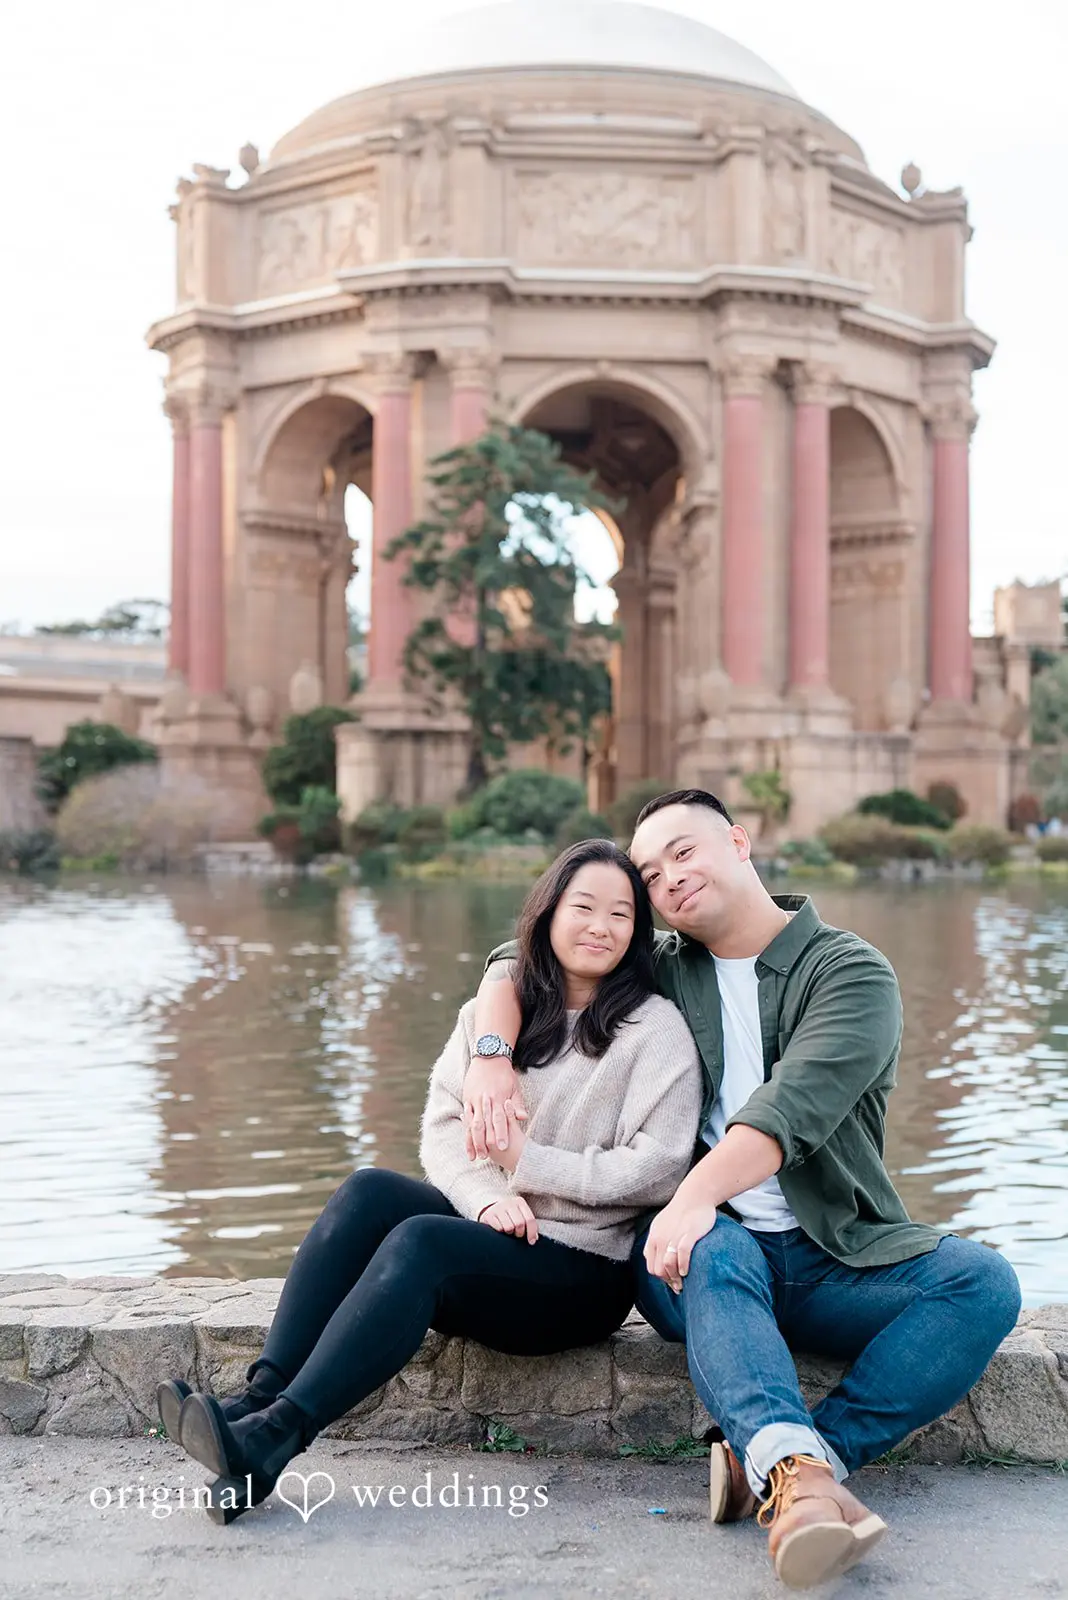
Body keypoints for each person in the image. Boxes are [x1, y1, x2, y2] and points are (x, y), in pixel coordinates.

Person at [467, 789, 1022, 1590]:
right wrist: (490, 1054)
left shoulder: (850, 972)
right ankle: (799, 1482)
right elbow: (519, 958)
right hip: (701, 1259)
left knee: (983, 1282)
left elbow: (787, 1111)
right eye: (651, 876)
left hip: (835, 1257)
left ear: (738, 841)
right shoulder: (660, 970)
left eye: (683, 853)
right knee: (711, 1244)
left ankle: (792, 1464)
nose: (669, 881)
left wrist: (691, 1190)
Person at [156, 838, 702, 1524]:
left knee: (421, 1243)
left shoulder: (655, 1031)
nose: (601, 926)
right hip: (502, 1235)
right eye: (584, 907)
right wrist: (487, 1200)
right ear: (547, 912)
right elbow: (443, 1130)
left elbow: (662, 1166)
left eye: (621, 915)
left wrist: (529, 1166)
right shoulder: (493, 1015)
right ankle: (256, 1399)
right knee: (369, 1191)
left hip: (584, 1270)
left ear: (637, 932)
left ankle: (275, 1438)